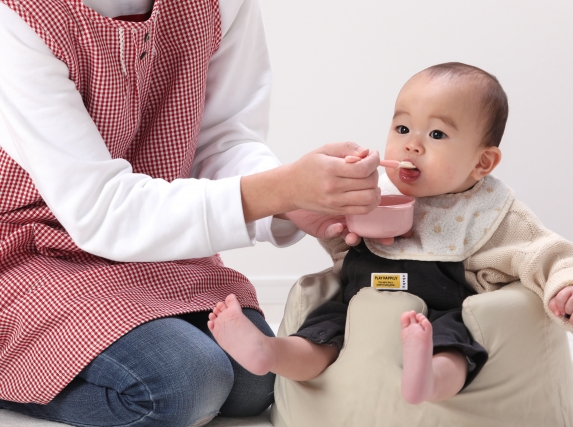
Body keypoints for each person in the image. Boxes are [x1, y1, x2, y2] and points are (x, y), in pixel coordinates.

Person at [0, 0, 380, 426]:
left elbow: (224, 138)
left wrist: (291, 203)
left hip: (156, 250)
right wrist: (280, 189)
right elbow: (100, 209)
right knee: (185, 383)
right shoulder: (18, 17)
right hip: (29, 251)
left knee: (257, 380)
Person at [207, 62, 573, 405]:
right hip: (358, 302)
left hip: (438, 311)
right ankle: (268, 352)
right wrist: (317, 205)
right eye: (402, 128)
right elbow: (340, 244)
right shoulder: (377, 196)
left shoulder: (489, 213)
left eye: (436, 135)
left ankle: (428, 378)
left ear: (482, 162)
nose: (412, 145)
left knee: (458, 341)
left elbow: (544, 251)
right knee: (321, 331)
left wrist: (569, 286)